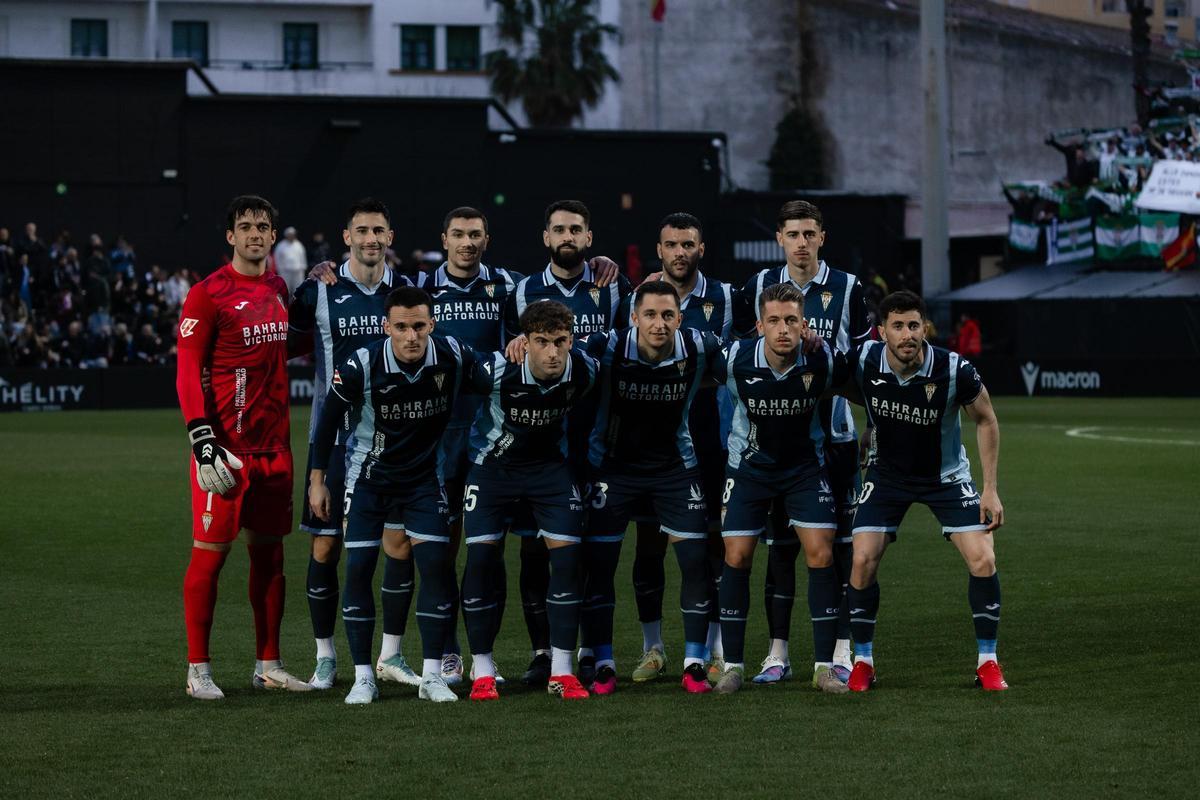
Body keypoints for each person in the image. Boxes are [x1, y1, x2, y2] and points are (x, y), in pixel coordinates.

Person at [307, 286, 475, 704]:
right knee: (359, 568)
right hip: (368, 482)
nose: (411, 336)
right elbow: (327, 421)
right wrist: (317, 480)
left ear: (432, 324)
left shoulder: (453, 354)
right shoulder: (362, 364)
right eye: (401, 327)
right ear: (386, 327)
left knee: (435, 568)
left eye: (419, 326)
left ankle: (432, 677)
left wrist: (520, 345)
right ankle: (364, 677)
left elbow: (494, 373)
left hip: (423, 482)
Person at [175, 195, 311, 700]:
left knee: (270, 559)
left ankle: (269, 665)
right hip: (225, 452)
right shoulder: (207, 294)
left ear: (274, 235)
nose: (256, 233)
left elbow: (282, 344)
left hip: (275, 450)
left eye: (263, 226)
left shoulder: (278, 288)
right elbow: (187, 368)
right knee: (209, 557)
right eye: (246, 226)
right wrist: (201, 437)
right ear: (231, 235)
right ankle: (198, 670)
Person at [733, 200, 871, 685]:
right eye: (793, 234)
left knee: (842, 548)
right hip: (778, 441)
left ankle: (842, 650)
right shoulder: (758, 288)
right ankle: (777, 653)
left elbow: (862, 364)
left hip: (836, 440)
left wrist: (824, 351)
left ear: (822, 238)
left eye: (809, 234)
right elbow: (739, 352)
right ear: (780, 239)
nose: (801, 243)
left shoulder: (848, 288)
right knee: (781, 548)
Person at [843, 291, 1006, 692]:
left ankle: (988, 662)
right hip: (886, 477)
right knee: (862, 559)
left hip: (945, 478)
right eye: (897, 326)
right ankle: (863, 661)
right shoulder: (863, 360)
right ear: (882, 332)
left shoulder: (953, 369)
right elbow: (836, 388)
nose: (907, 334)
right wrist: (867, 430)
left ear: (925, 328)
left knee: (983, 558)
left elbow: (986, 419)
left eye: (914, 325)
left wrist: (990, 489)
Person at [287, 198, 416, 692]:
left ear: (390, 236)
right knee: (325, 546)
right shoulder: (318, 290)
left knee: (397, 545)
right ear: (347, 237)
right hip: (335, 442)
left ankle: (391, 655)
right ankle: (325, 658)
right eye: (361, 230)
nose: (370, 239)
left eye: (378, 230)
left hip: (392, 443)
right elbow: (278, 333)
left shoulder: (408, 292)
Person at [503, 200, 631, 687]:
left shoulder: (612, 285)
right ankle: (543, 653)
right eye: (559, 229)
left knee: (591, 552)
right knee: (535, 550)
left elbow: (625, 345)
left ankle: (591, 650)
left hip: (597, 439)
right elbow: (508, 355)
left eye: (576, 229)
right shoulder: (522, 291)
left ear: (589, 238)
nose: (567, 237)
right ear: (546, 237)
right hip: (538, 441)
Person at [711, 283, 850, 695]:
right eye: (774, 321)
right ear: (760, 326)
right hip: (749, 469)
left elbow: (864, 386)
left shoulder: (823, 361)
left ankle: (824, 668)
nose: (783, 329)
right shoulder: (734, 359)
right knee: (736, 556)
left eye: (791, 320)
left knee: (821, 553)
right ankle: (733, 666)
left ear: (804, 325)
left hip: (804, 469)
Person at [615, 212, 735, 684]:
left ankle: (714, 650)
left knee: (709, 547)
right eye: (672, 244)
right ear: (659, 250)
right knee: (648, 546)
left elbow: (741, 355)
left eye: (688, 244)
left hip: (712, 437)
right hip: (651, 439)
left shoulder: (727, 297)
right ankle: (653, 648)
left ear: (701, 248)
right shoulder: (636, 298)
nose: (680, 252)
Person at [460, 300, 598, 701]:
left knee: (568, 562)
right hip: (492, 471)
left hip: (548, 472)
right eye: (541, 342)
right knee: (481, 561)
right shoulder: (495, 370)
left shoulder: (585, 369)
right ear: (525, 341)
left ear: (571, 340)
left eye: (560, 341)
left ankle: (562, 671)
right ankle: (483, 669)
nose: (552, 352)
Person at [416, 207, 522, 686]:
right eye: (457, 234)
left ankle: (485, 656)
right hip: (436, 437)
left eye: (475, 234)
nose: (466, 242)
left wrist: (604, 265)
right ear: (444, 239)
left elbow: (548, 303)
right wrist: (324, 269)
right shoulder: (421, 287)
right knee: (441, 548)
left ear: (486, 240)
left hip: (490, 437)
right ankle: (448, 652)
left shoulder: (509, 286)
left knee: (488, 550)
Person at [274, 226, 308, 296]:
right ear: (286, 235)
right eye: (289, 235)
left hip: (297, 271)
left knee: (298, 289)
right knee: (285, 289)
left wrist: (303, 268)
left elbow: (303, 257)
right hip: (285, 271)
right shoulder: (281, 245)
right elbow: (277, 258)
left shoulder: (299, 245)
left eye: (292, 235)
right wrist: (279, 269)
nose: (291, 236)